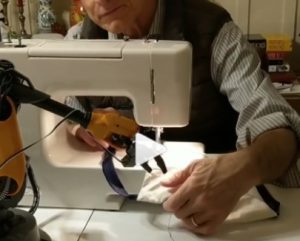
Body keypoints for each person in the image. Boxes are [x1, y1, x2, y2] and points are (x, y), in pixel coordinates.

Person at [65, 0, 300, 235]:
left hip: (218, 210)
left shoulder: (212, 29)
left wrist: (246, 167)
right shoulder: (77, 41)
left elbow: (279, 128)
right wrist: (77, 126)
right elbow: (58, 112)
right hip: (110, 214)